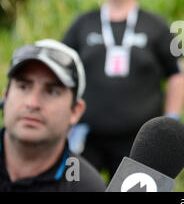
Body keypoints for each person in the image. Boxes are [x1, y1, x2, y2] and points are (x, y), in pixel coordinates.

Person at [63, 0, 184, 175]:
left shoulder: (156, 25)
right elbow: (63, 70)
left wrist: (171, 118)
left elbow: (177, 73)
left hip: (138, 138)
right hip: (87, 135)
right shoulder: (83, 23)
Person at [0, 39, 106, 191]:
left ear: (76, 111)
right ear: (5, 96)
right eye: (23, 86)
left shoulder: (86, 187)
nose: (32, 103)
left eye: (52, 91)